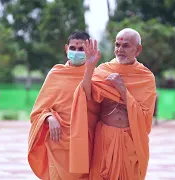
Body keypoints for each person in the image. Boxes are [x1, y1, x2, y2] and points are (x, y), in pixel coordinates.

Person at [69, 28, 157, 180]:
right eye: (117, 45)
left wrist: (123, 90)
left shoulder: (145, 77)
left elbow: (145, 117)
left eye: (126, 46)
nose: (120, 49)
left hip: (129, 140)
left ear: (138, 50)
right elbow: (85, 95)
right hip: (105, 137)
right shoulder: (104, 70)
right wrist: (90, 67)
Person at [28, 31, 98, 180]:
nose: (76, 52)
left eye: (81, 49)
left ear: (89, 50)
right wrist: (49, 118)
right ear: (66, 48)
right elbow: (37, 112)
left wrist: (90, 68)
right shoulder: (56, 73)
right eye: (73, 48)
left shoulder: (96, 74)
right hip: (58, 142)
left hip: (85, 143)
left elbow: (89, 98)